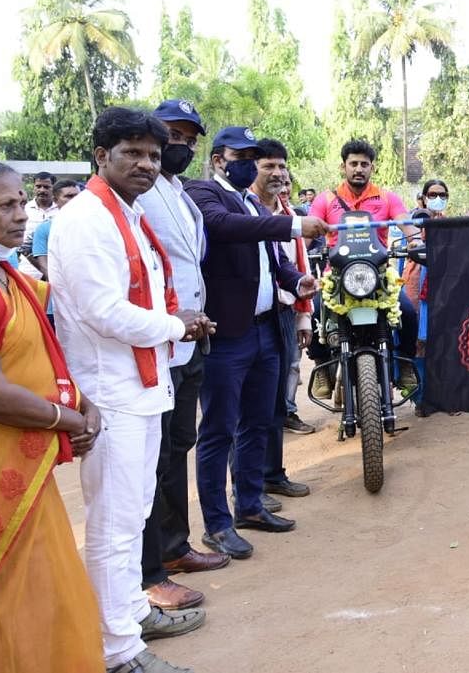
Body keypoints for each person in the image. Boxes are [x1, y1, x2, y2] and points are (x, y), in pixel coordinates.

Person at [51, 107, 216, 673]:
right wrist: (179, 325)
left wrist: (173, 321)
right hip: (112, 394)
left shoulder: (127, 213)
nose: (147, 164)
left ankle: (127, 614)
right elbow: (104, 312)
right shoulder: (87, 219)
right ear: (101, 156)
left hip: (143, 386)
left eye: (152, 153)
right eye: (133, 154)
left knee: (134, 512)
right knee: (115, 523)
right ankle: (117, 651)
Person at [0, 159, 104, 671]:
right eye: (4, 205)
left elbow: (38, 355)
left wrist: (82, 403)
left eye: (19, 202)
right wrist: (66, 419)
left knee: (43, 593)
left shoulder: (4, 272)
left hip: (22, 469)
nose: (20, 216)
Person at [187, 127, 325, 561]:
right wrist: (294, 224)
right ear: (217, 160)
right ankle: (217, 523)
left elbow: (274, 261)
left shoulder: (250, 201)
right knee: (219, 430)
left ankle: (249, 505)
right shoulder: (204, 194)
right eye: (239, 155)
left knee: (260, 421)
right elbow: (226, 229)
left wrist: (297, 280)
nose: (247, 162)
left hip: (267, 329)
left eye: (253, 155)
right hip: (227, 335)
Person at [136, 99, 230, 615]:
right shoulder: (134, 199)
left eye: (188, 138)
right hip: (158, 342)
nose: (180, 146)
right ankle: (154, 567)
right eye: (171, 135)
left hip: (189, 340)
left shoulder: (177, 193)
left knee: (178, 445)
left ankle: (175, 547)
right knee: (155, 456)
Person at [308, 140, 418, 397]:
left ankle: (404, 365)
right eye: (353, 163)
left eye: (364, 164)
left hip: (379, 276)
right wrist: (298, 253)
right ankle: (321, 366)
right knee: (313, 308)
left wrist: (415, 240)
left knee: (409, 313)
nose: (359, 169)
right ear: (343, 167)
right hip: (335, 276)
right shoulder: (325, 200)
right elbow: (308, 231)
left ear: (372, 168)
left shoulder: (387, 197)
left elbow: (406, 224)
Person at [251, 138, 318, 507]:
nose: (277, 174)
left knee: (277, 401)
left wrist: (304, 312)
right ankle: (250, 487)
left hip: (285, 314)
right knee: (251, 408)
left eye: (281, 167)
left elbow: (297, 267)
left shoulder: (290, 212)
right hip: (250, 320)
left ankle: (273, 475)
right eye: (268, 167)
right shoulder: (243, 209)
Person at [29, 179, 79, 281]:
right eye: (69, 196)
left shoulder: (92, 224)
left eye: (78, 196)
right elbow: (44, 265)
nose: (75, 200)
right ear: (55, 201)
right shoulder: (44, 228)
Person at [18, 171, 57, 279]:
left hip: (54, 268)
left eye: (46, 187)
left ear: (53, 188)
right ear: (33, 188)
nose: (42, 190)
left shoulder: (61, 209)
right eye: (38, 186)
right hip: (28, 269)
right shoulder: (23, 209)